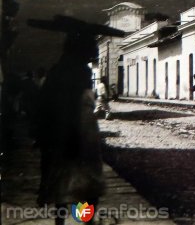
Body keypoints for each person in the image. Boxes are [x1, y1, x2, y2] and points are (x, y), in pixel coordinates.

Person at [29, 16, 125, 225]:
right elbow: (77, 106)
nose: (93, 50)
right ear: (81, 47)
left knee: (65, 187)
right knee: (84, 186)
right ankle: (85, 221)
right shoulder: (79, 71)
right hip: (77, 135)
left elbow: (44, 105)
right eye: (91, 45)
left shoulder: (59, 69)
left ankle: (65, 223)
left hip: (64, 136)